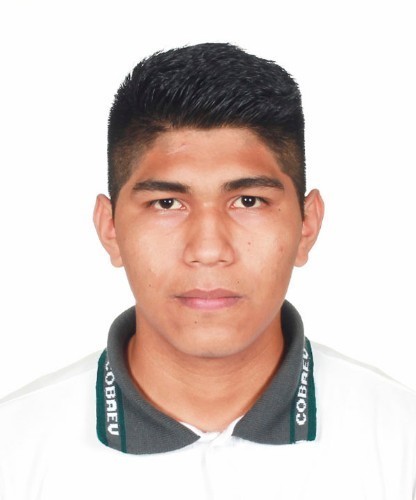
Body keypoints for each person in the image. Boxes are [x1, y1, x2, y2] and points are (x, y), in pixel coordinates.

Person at [0, 43, 415, 500]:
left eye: (248, 201)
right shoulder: (13, 450)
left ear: (307, 225)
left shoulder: (401, 442)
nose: (209, 250)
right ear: (110, 228)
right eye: (167, 203)